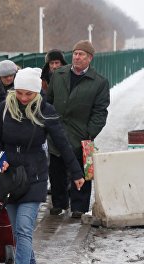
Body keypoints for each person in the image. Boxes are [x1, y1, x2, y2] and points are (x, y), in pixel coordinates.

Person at [0, 68, 84, 264]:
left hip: (35, 176)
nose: (23, 98)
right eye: (20, 92)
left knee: (24, 228)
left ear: (37, 93)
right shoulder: (4, 108)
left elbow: (62, 143)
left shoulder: (45, 110)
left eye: (29, 94)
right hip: (9, 177)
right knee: (16, 231)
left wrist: (76, 172)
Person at [46, 40, 110, 218]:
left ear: (89, 58)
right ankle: (59, 203)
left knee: (81, 172)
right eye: (75, 53)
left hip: (81, 135)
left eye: (81, 54)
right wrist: (49, 125)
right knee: (56, 170)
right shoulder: (58, 75)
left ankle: (79, 207)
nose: (77, 57)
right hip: (57, 131)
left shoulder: (99, 82)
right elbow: (48, 101)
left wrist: (88, 133)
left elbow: (100, 112)